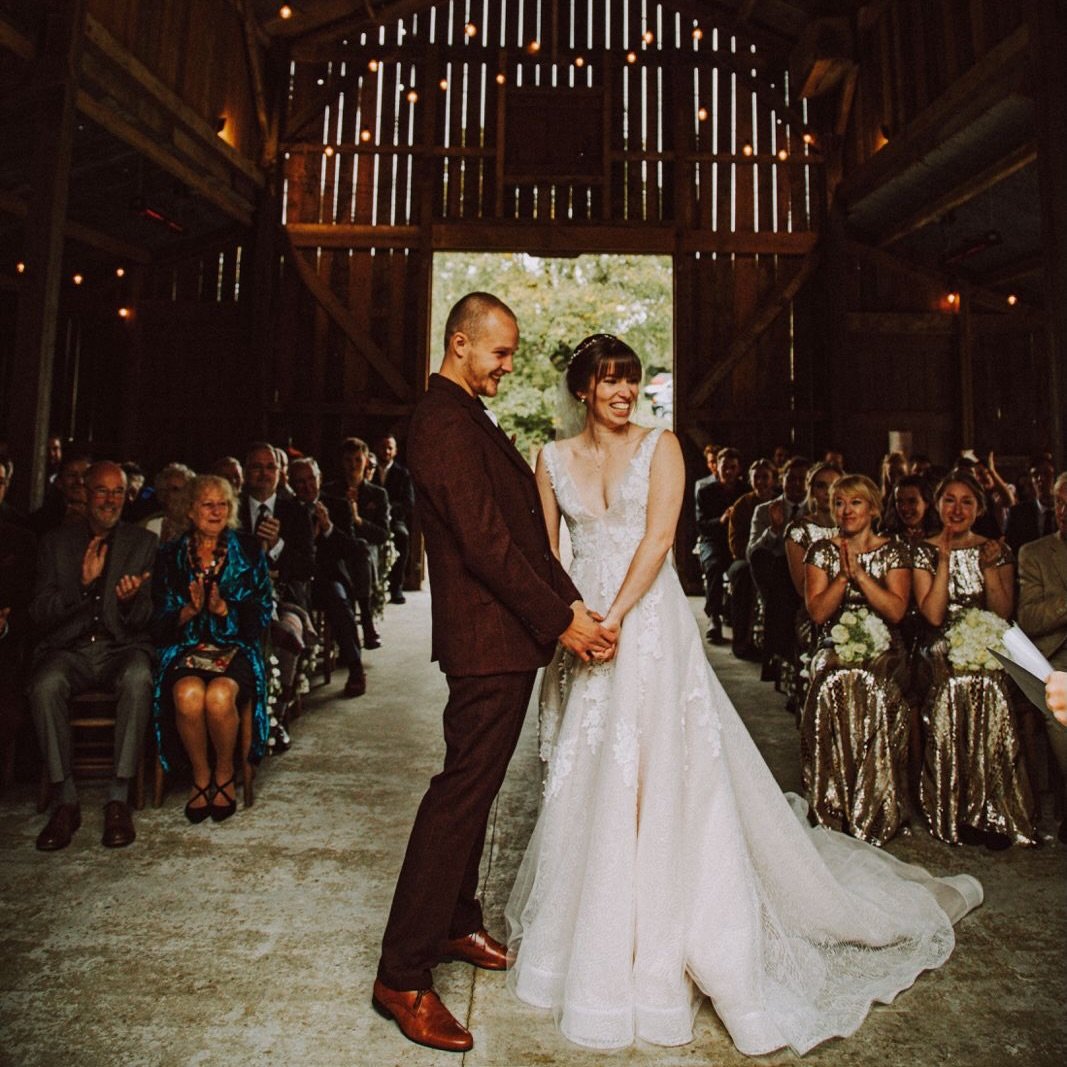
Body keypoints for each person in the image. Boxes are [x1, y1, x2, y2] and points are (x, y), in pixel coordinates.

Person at [506, 336, 982, 1056]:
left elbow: (659, 539)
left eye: (629, 379)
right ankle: (596, 934)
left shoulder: (660, 446)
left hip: (648, 626)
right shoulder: (548, 459)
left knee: (665, 770)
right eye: (608, 381)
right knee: (592, 770)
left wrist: (613, 619)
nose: (622, 392)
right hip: (580, 628)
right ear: (580, 389)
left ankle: (681, 927)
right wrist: (571, 621)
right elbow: (547, 552)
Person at [373, 294, 615, 1054]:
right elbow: (485, 544)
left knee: (472, 789)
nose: (509, 365)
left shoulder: (463, 411)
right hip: (486, 640)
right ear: (459, 343)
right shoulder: (439, 420)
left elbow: (519, 532)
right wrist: (559, 621)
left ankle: (453, 920)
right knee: (458, 794)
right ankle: (401, 974)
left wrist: (569, 599)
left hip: (504, 636)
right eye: (500, 353)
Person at [27, 461, 156, 851]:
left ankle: (118, 797)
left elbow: (151, 618)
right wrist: (79, 588)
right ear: (84, 492)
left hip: (122, 647)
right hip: (71, 649)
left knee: (139, 678)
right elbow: (38, 613)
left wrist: (132, 602)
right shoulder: (55, 542)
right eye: (102, 491)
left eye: (118, 492)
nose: (111, 500)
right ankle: (65, 801)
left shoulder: (142, 543)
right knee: (44, 684)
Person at [913, 471, 1036, 849]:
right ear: (937, 504)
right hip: (939, 640)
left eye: (967, 502)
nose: (957, 509)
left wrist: (987, 569)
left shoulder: (996, 550)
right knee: (953, 685)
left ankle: (993, 810)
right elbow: (933, 616)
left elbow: (1001, 613)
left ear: (980, 508)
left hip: (985, 636)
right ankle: (956, 808)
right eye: (949, 500)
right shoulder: (923, 550)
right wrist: (945, 558)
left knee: (992, 684)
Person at [151, 474, 272, 822]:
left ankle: (224, 773)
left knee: (219, 697)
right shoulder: (170, 555)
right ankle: (200, 776)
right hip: (185, 649)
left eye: (223, 504)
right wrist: (187, 611)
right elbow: (156, 621)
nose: (216, 511)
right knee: (188, 694)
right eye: (208, 504)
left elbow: (263, 612)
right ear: (190, 511)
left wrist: (224, 611)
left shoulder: (248, 550)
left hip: (236, 650)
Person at [800, 475, 912, 844]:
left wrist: (861, 575)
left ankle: (876, 802)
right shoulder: (820, 551)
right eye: (839, 504)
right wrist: (843, 578)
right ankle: (832, 802)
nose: (846, 511)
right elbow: (817, 613)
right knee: (831, 677)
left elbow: (896, 611)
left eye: (855, 503)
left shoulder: (894, 551)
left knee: (876, 683)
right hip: (833, 641)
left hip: (885, 645)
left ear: (874, 508)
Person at [289, 456, 369, 698]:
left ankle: (355, 669)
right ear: (291, 484)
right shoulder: (286, 509)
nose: (307, 487)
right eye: (299, 482)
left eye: (311, 480)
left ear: (319, 479)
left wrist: (328, 530)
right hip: (295, 580)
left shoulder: (338, 506)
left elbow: (353, 550)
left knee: (338, 597)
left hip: (326, 578)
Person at [1016, 470, 1067, 843]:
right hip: (1057, 660)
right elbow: (1030, 619)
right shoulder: (1034, 554)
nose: (1064, 510)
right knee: (1060, 711)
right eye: (1060, 501)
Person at [725, 457, 777, 660]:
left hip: (776, 557)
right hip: (746, 558)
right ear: (750, 480)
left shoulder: (780, 501)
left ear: (773, 479)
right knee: (742, 575)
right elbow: (735, 542)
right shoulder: (742, 505)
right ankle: (742, 642)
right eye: (757, 478)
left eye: (766, 477)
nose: (761, 482)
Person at [694, 446, 744, 644]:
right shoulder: (706, 492)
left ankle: (739, 619)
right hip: (713, 541)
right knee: (714, 566)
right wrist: (722, 520)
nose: (729, 472)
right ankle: (714, 618)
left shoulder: (745, 491)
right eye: (725, 467)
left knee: (741, 571)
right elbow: (701, 525)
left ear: (738, 469)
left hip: (737, 543)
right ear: (717, 468)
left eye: (733, 467)